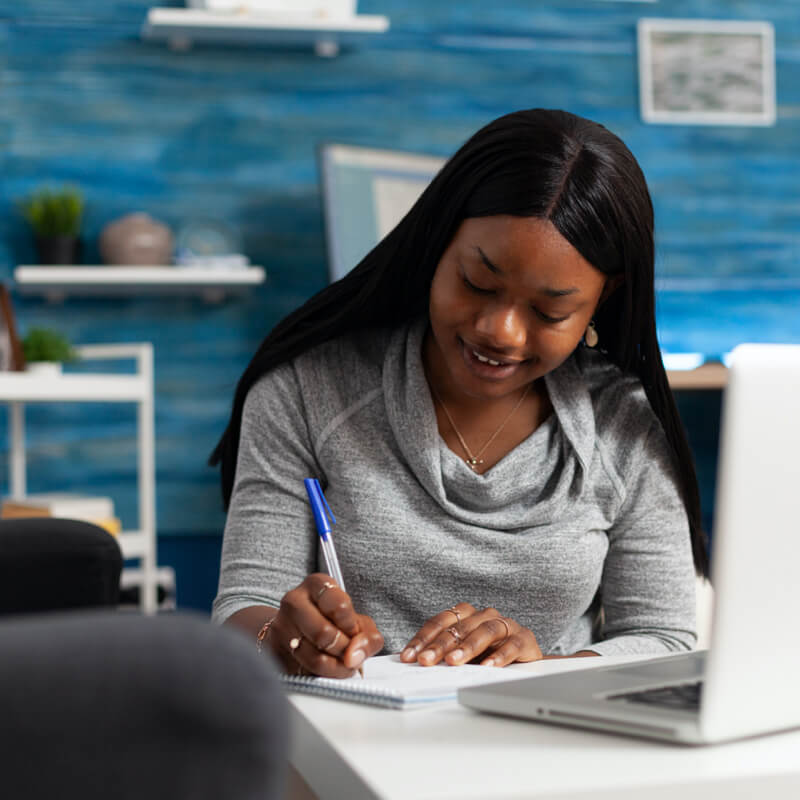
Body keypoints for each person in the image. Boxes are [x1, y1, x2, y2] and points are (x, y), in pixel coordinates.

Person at [210, 108, 708, 679]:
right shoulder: (306, 390)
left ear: (601, 300)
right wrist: (283, 636)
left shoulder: (624, 422)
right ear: (438, 245)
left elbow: (665, 639)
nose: (501, 332)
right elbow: (243, 607)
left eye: (550, 311)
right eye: (477, 282)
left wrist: (540, 669)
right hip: (349, 742)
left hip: (550, 747)